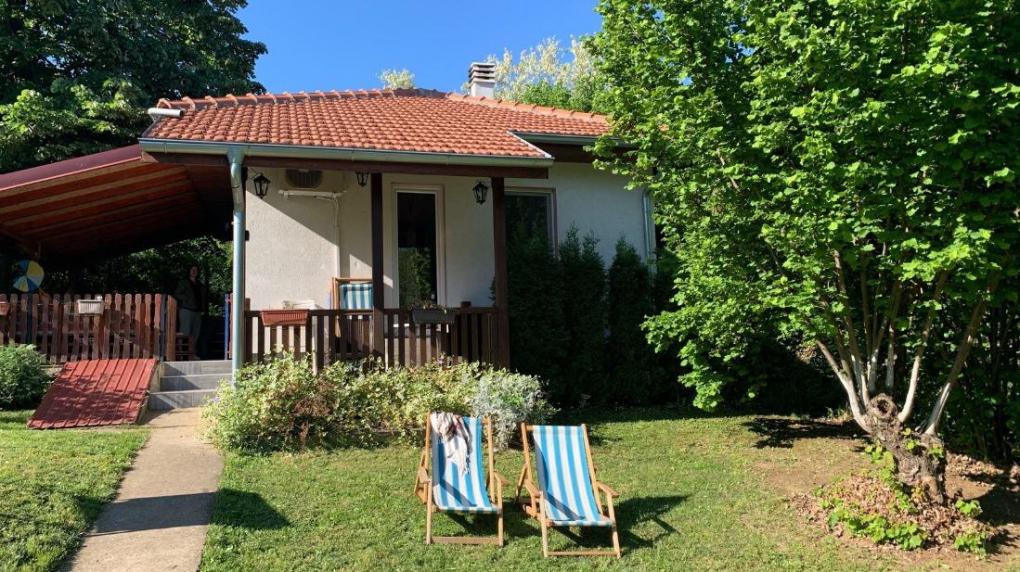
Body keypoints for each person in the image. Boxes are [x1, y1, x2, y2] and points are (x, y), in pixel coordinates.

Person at [175, 266, 204, 358]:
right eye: (192, 270)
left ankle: (192, 353)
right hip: (186, 310)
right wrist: (187, 299)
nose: (194, 271)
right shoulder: (184, 283)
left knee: (195, 334)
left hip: (197, 311)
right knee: (185, 332)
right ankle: (180, 353)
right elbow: (177, 294)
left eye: (196, 270)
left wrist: (202, 309)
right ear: (189, 271)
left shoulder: (200, 285)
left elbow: (203, 298)